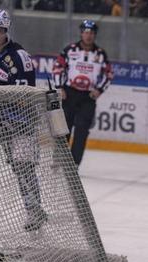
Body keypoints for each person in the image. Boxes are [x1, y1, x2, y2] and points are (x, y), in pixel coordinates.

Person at [0, 8, 47, 233]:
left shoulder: (19, 57)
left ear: (7, 31)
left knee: (23, 167)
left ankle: (34, 211)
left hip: (19, 121)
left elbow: (24, 99)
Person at [52, 19, 113, 167]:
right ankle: (58, 159)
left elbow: (109, 74)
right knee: (63, 129)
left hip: (87, 97)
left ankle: (73, 165)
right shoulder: (70, 50)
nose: (88, 35)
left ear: (95, 35)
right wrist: (59, 87)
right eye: (86, 32)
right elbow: (57, 67)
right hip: (69, 94)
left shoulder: (100, 54)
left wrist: (99, 90)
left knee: (82, 131)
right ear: (81, 33)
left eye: (91, 33)